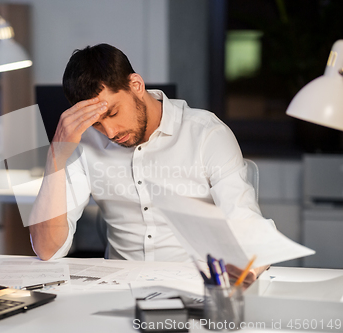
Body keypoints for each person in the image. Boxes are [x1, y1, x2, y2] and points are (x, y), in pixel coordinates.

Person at [29, 43, 272, 287]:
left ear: (136, 85)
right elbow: (48, 250)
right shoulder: (82, 143)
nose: (110, 132)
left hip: (196, 286)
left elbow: (248, 228)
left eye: (112, 113)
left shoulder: (206, 134)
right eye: (96, 123)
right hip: (116, 290)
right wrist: (56, 155)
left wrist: (242, 270)